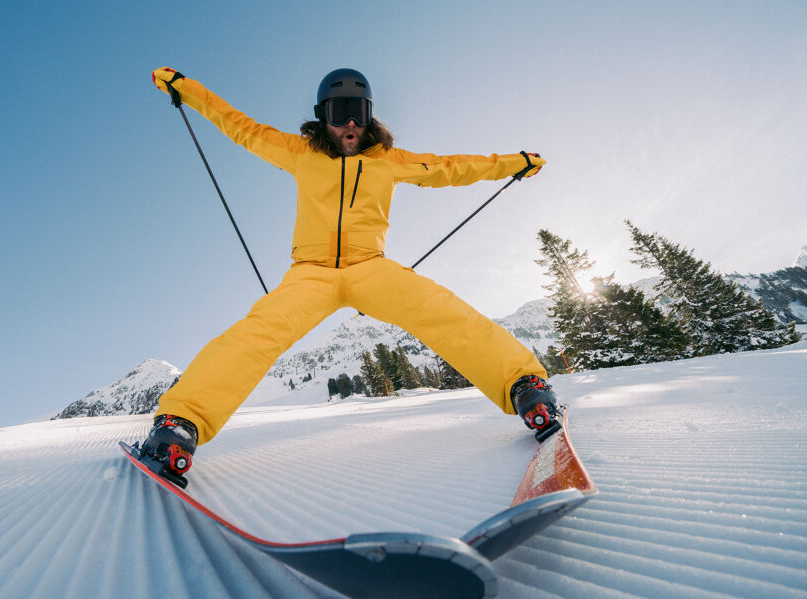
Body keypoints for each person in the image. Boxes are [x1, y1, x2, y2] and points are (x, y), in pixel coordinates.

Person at [143, 67, 560, 478]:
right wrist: (187, 89)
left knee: (439, 310)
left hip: (370, 268)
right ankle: (180, 421)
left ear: (370, 115)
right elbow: (240, 126)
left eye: (357, 112)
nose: (349, 124)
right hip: (311, 274)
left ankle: (525, 386)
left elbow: (453, 167)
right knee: (257, 333)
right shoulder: (299, 152)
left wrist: (513, 163)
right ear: (323, 115)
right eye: (339, 111)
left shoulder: (389, 161)